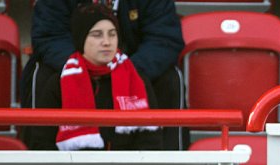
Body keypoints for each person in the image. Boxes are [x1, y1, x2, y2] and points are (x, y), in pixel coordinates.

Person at [24, 0, 184, 149]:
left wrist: (123, 70)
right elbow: (49, 36)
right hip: (75, 65)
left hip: (136, 68)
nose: (106, 41)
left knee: (171, 79)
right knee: (41, 75)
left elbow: (164, 39)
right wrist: (84, 66)